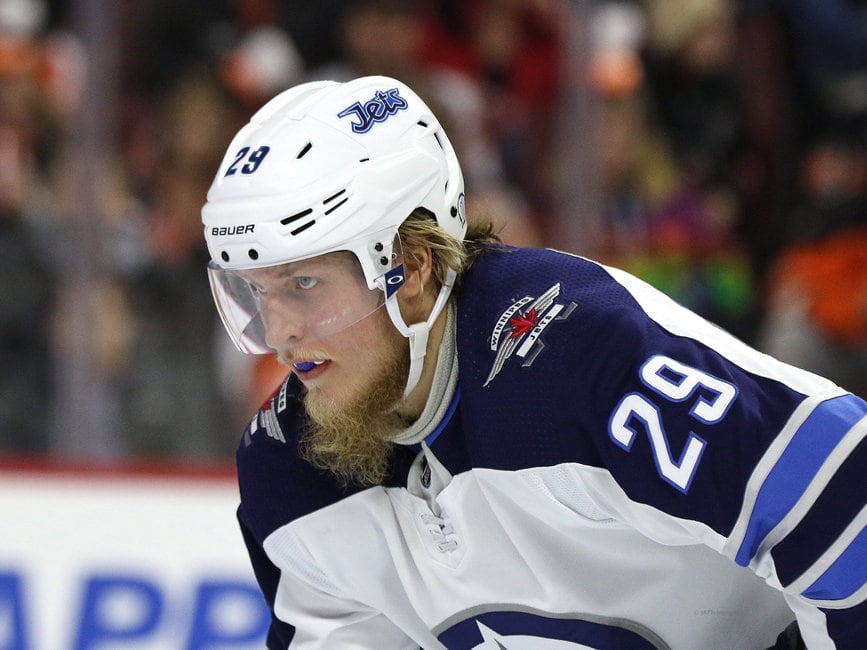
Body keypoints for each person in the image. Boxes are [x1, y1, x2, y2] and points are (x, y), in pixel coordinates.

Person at [200, 76, 866, 649]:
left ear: (410, 267)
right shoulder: (289, 475)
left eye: (306, 285)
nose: (279, 333)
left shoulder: (575, 356)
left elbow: (841, 488)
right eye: (254, 292)